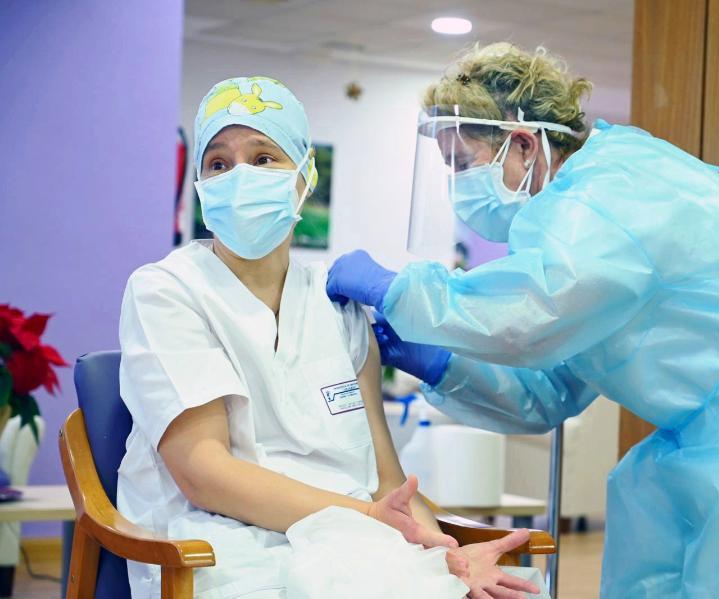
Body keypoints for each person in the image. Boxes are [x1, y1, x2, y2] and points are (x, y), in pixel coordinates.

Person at [326, 44, 719, 597]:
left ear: (522, 144)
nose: (457, 185)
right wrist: (440, 363)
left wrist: (399, 290)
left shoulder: (611, 191)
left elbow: (534, 311)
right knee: (646, 509)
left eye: (462, 163)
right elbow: (551, 389)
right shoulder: (570, 223)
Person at [117, 76, 543, 599]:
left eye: (264, 157)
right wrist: (367, 518)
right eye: (219, 164)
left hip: (356, 543)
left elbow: (388, 481)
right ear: (202, 185)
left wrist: (444, 553)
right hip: (219, 547)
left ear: (305, 175)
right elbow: (204, 474)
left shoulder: (337, 304)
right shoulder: (167, 290)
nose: (240, 176)